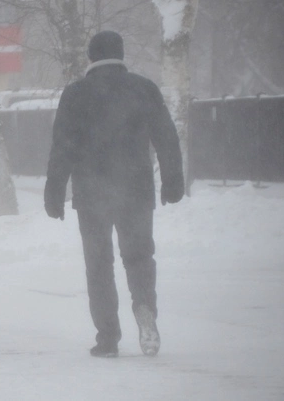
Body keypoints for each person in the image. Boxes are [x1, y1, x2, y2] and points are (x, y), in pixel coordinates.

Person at [44, 31, 184, 358]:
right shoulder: (143, 88)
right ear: (121, 55)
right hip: (135, 189)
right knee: (138, 257)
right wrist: (173, 180)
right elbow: (166, 136)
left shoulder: (76, 93)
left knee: (99, 264)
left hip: (92, 193)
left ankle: (108, 337)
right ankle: (145, 305)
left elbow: (62, 145)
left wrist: (54, 189)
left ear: (91, 57)